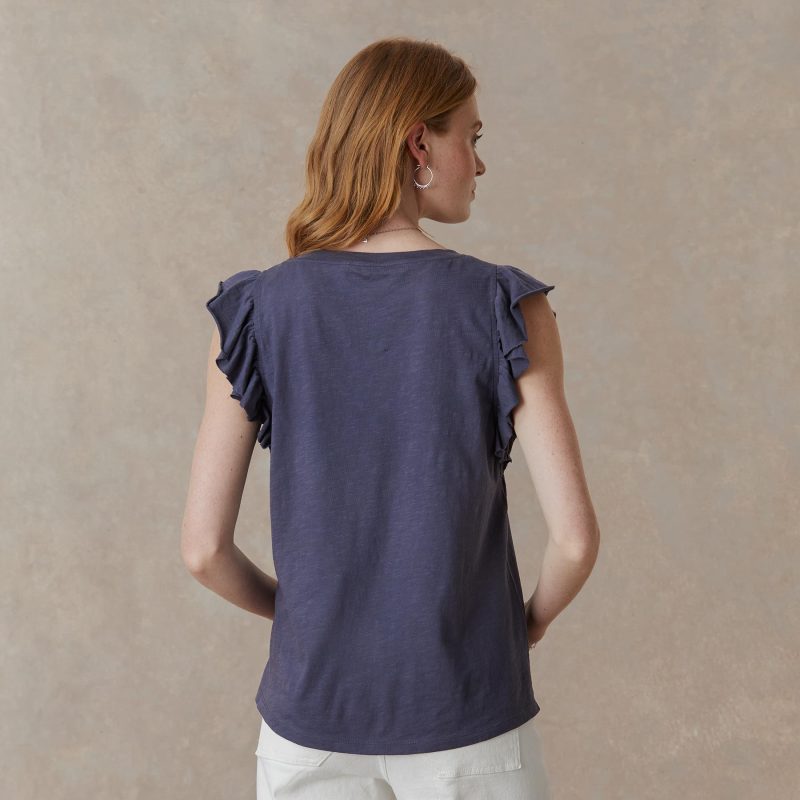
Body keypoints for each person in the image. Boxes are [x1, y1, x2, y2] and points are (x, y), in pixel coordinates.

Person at [181, 36, 600, 800]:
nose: (479, 164)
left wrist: (304, 620)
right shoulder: (505, 307)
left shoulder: (256, 311)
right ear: (419, 146)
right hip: (468, 714)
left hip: (309, 724)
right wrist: (526, 624)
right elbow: (574, 540)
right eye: (471, 137)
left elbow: (204, 551)